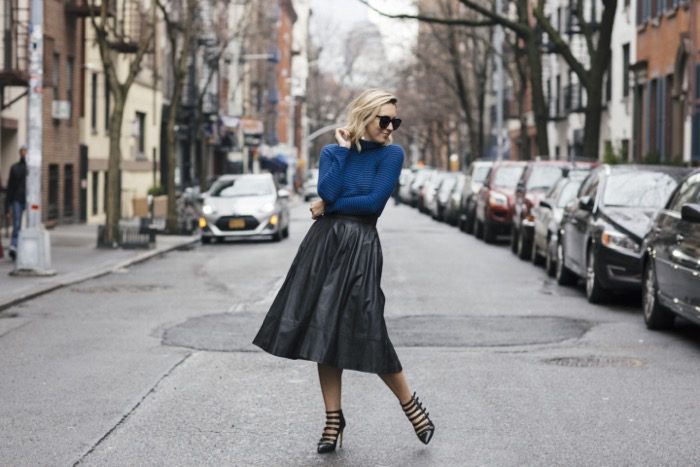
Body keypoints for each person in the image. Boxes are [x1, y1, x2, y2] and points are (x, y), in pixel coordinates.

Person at [253, 89, 434, 453]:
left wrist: (328, 208)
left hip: (361, 246)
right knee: (323, 329)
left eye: (394, 121)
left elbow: (372, 204)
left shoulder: (392, 155)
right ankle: (332, 420)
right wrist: (339, 154)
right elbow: (327, 189)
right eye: (384, 120)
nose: (390, 127)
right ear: (364, 117)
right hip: (324, 248)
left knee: (369, 328)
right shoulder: (333, 152)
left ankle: (410, 403)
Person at [5, 145, 27, 260]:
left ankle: (23, 246)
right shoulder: (15, 168)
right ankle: (14, 246)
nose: (25, 153)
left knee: (29, 224)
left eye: (26, 151)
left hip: (28, 200)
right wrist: (7, 207)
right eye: (23, 151)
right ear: (20, 153)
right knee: (17, 223)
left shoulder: (33, 168)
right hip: (17, 199)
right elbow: (10, 188)